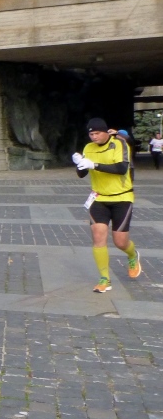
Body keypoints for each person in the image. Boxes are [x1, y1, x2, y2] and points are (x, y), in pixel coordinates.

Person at [72, 117, 141, 293]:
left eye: (97, 133)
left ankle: (132, 255)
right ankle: (104, 278)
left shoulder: (118, 144)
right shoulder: (88, 148)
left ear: (105, 132)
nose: (94, 137)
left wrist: (93, 164)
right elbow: (82, 174)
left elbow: (121, 168)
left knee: (120, 242)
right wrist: (79, 164)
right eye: (91, 134)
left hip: (122, 197)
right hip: (99, 198)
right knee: (98, 237)